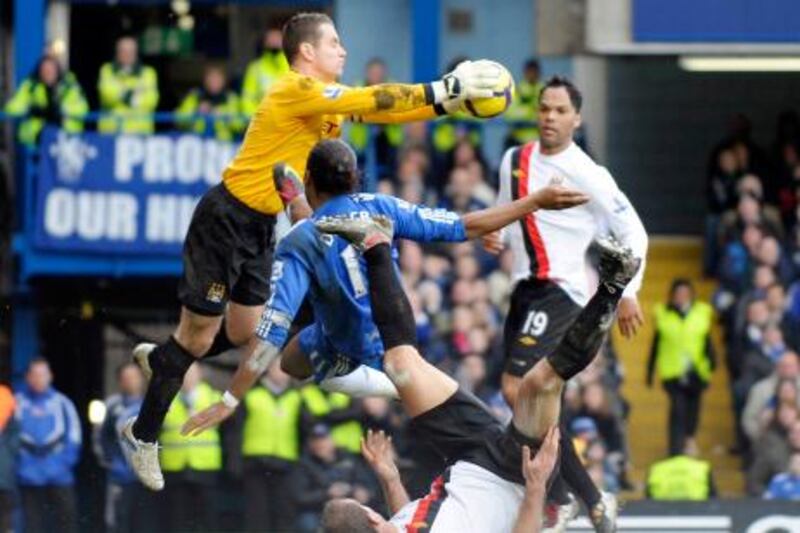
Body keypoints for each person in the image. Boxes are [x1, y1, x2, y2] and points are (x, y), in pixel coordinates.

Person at [122, 10, 505, 491]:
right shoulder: (294, 88)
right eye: (334, 44)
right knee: (198, 337)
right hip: (226, 218)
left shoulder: (328, 103)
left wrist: (448, 107)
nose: (343, 51)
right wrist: (443, 90)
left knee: (243, 330)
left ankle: (166, 360)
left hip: (262, 223)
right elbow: (373, 96)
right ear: (307, 52)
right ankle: (143, 432)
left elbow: (384, 109)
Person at [185, 212, 638, 531]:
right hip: (519, 481)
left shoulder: (393, 525)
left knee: (401, 364)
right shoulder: (394, 528)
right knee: (540, 382)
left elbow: (406, 517)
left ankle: (376, 243)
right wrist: (538, 486)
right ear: (374, 520)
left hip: (470, 459)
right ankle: (613, 284)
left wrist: (389, 478)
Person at [178, 137, 588, 437]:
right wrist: (533, 201)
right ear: (355, 179)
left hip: (367, 353)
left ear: (310, 180)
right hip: (385, 327)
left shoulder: (297, 244)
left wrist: (229, 399)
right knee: (293, 360)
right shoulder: (382, 206)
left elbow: (268, 336)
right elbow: (464, 226)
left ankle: (392, 389)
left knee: (297, 362)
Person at [487, 75, 648, 529]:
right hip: (524, 289)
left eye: (559, 111)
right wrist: (492, 232)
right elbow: (505, 207)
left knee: (521, 389)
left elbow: (634, 232)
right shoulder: (513, 159)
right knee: (530, 398)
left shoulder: (589, 174)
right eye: (544, 109)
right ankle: (588, 498)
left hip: (562, 290)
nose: (550, 117)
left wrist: (628, 292)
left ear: (576, 118)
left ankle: (567, 495)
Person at [647, 279, 715, 456]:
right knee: (677, 408)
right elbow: (656, 344)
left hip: (696, 370)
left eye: (685, 294)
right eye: (678, 294)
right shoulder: (663, 314)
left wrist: (712, 364)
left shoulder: (701, 313)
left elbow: (707, 341)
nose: (681, 297)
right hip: (672, 371)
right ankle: (675, 448)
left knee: (693, 407)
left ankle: (689, 439)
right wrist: (650, 371)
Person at [15, 358, 81, 533]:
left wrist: (63, 464)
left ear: (50, 376)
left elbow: (74, 436)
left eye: (42, 374)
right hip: (27, 476)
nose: (38, 379)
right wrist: (19, 466)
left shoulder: (63, 403)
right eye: (34, 375)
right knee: (32, 526)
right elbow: (8, 439)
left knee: (66, 522)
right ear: (27, 377)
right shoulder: (16, 403)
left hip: (59, 475)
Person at [240, 361, 305, 532]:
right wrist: (235, 462)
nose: (282, 374)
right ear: (267, 370)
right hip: (255, 462)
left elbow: (304, 430)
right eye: (278, 369)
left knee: (284, 511)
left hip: (285, 462)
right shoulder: (252, 395)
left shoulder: (296, 398)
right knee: (257, 513)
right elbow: (235, 431)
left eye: (285, 370)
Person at [159, 364, 221, 531]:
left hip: (205, 466)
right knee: (177, 519)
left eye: (192, 373)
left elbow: (229, 433)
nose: (188, 378)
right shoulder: (165, 399)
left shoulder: (214, 398)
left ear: (200, 374)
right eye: (184, 373)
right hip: (174, 467)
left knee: (207, 518)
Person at [93, 363, 152, 533]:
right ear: (120, 382)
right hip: (119, 477)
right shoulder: (110, 405)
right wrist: (111, 463)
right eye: (126, 378)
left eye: (134, 377)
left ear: (141, 379)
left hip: (148, 479)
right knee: (118, 521)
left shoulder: (153, 404)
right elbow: (99, 437)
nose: (131, 381)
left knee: (145, 522)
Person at [290, 423, 376, 532]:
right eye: (315, 441)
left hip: (350, 509)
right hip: (318, 511)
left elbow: (368, 483)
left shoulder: (348, 458)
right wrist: (327, 493)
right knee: (307, 523)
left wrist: (361, 491)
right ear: (310, 444)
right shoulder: (304, 464)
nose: (320, 444)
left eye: (323, 439)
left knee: (373, 518)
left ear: (332, 440)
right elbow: (299, 497)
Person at [4, 55, 88, 146]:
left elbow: (83, 108)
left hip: (66, 139)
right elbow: (11, 107)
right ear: (39, 71)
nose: (48, 73)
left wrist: (62, 110)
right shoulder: (30, 86)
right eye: (44, 70)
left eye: (51, 70)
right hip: (36, 141)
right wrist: (30, 109)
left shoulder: (69, 86)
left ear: (57, 71)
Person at [97, 36, 159, 134]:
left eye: (131, 51)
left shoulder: (148, 73)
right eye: (123, 51)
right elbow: (107, 95)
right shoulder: (107, 70)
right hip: (111, 134)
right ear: (117, 52)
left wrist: (121, 94)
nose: (127, 54)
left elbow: (151, 101)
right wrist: (135, 96)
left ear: (136, 53)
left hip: (140, 134)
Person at [175, 65, 244, 141]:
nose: (214, 83)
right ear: (205, 81)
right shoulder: (195, 97)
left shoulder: (231, 99)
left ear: (224, 81)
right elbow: (179, 120)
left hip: (224, 145)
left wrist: (224, 114)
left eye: (217, 79)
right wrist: (196, 111)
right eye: (211, 79)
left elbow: (239, 125)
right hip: (198, 143)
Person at [241, 27, 290, 115]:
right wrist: (256, 118)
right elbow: (247, 98)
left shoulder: (292, 65)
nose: (274, 43)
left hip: (288, 121)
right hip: (263, 121)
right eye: (271, 40)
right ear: (265, 43)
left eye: (277, 39)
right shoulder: (255, 68)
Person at [504, 58, 543, 148]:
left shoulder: (545, 90)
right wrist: (530, 111)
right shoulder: (518, 90)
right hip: (519, 141)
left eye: (534, 71)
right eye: (529, 71)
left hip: (541, 141)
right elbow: (509, 114)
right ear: (525, 72)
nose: (532, 74)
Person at [645, 451, 716, 501]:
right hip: (698, 514)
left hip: (661, 515)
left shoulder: (656, 468)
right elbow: (714, 499)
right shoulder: (702, 467)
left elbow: (648, 499)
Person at [0, 384, 18, 533]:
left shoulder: (5, 395)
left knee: (6, 521)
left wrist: (7, 453)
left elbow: (15, 430)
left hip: (3, 474)